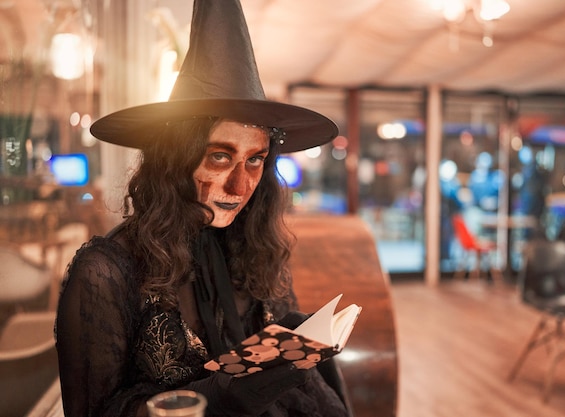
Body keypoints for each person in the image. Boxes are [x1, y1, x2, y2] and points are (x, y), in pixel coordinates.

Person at [54, 1, 348, 416]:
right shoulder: (106, 274)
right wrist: (220, 395)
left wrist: (291, 341)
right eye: (221, 157)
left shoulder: (256, 246)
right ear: (174, 159)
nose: (241, 185)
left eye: (255, 160)